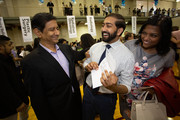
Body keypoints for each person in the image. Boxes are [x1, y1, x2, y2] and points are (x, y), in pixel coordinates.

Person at [21, 13, 87, 120]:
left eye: (57, 28)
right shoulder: (30, 62)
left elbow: (78, 57)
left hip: (76, 105)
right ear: (38, 32)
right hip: (56, 113)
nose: (57, 33)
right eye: (51, 29)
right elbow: (37, 99)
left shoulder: (66, 48)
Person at [119, 15, 175, 120]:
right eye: (144, 33)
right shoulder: (129, 46)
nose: (146, 38)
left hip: (152, 101)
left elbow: (167, 75)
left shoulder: (168, 53)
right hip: (127, 99)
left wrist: (157, 88)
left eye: (153, 35)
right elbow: (118, 69)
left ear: (163, 37)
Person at [82, 13, 135, 120]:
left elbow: (127, 87)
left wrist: (113, 87)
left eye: (108, 26)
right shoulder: (95, 47)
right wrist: (87, 66)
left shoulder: (127, 56)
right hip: (88, 92)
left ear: (119, 31)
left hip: (107, 98)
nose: (103, 29)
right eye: (103, 25)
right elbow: (86, 62)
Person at [0, 35, 29, 120]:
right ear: (1, 47)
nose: (12, 46)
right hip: (8, 106)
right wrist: (17, 103)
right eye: (9, 45)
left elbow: (15, 78)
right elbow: (3, 87)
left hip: (19, 99)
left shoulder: (8, 59)